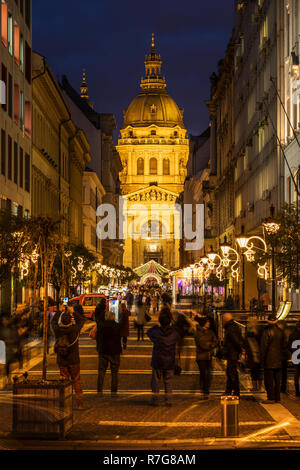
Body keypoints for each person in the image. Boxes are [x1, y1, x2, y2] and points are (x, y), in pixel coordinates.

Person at [51, 302, 85, 409]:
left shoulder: (58, 330)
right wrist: (73, 311)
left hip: (62, 360)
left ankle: (65, 404)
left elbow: (53, 322)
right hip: (74, 360)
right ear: (70, 320)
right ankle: (79, 403)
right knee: (76, 380)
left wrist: (59, 311)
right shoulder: (75, 329)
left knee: (64, 382)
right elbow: (82, 320)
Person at [147, 309, 180, 406]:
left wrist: (157, 325)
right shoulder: (174, 333)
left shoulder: (156, 332)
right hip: (170, 360)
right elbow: (179, 335)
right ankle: (168, 400)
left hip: (158, 359)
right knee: (168, 381)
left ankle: (155, 399)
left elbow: (149, 332)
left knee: (155, 381)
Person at [260, 314, 285, 404]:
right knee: (277, 380)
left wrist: (262, 359)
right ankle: (277, 397)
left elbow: (264, 347)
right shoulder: (280, 331)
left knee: (269, 380)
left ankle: (271, 397)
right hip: (278, 359)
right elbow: (283, 345)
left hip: (269, 360)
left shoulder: (266, 332)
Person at [96, 311, 122, 397]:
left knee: (101, 372)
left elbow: (98, 338)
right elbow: (119, 338)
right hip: (115, 351)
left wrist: (98, 348)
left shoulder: (101, 326)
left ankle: (99, 392)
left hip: (103, 351)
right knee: (114, 373)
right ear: (114, 317)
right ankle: (113, 393)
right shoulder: (117, 326)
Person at [194, 316, 218, 398]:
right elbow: (202, 344)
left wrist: (211, 345)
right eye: (207, 322)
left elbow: (215, 341)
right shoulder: (198, 332)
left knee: (209, 373)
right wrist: (210, 345)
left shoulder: (211, 332)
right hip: (201, 357)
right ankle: (204, 389)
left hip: (209, 356)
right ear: (203, 323)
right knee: (203, 373)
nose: (209, 323)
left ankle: (206, 388)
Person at [222, 312, 244, 397]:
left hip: (232, 353)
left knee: (232, 372)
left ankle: (235, 391)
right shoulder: (232, 326)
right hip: (232, 352)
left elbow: (236, 341)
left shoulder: (231, 327)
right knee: (230, 372)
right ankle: (229, 390)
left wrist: (240, 349)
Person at [244, 318, 263, 392]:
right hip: (253, 355)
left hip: (256, 354)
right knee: (254, 371)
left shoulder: (257, 332)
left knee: (257, 371)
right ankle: (256, 386)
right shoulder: (252, 332)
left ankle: (258, 387)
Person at [277, 320, 290, 394]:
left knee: (281, 373)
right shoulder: (286, 332)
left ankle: (282, 387)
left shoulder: (282, 333)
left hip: (282, 355)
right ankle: (283, 387)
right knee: (283, 373)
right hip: (284, 355)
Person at [288, 321, 300, 397]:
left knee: (296, 373)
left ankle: (297, 391)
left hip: (296, 356)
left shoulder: (292, 335)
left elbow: (289, 345)